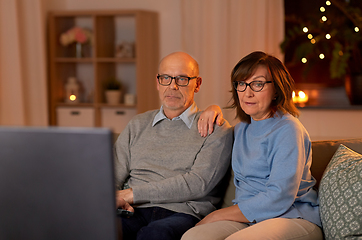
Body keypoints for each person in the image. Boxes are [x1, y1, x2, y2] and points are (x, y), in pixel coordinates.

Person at [182, 51, 323, 240]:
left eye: (258, 84)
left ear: (277, 90)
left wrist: (217, 215)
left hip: (292, 217)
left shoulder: (289, 129)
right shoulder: (241, 130)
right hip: (248, 220)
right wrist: (212, 109)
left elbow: (279, 196)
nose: (248, 92)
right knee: (193, 237)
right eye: (242, 83)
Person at [113, 51, 234, 240]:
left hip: (182, 213)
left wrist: (132, 194)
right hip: (132, 210)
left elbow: (198, 184)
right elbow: (114, 172)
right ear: (157, 82)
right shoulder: (137, 124)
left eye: (182, 79)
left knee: (155, 234)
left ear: (198, 84)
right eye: (166, 78)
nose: (173, 86)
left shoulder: (215, 128)